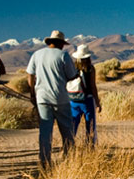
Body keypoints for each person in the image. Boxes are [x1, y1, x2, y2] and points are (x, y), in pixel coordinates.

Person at [26, 30, 79, 169]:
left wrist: (32, 93)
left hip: (42, 98)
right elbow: (72, 76)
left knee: (45, 131)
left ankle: (44, 161)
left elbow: (30, 75)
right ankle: (70, 159)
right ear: (61, 44)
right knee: (67, 130)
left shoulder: (37, 55)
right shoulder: (63, 55)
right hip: (60, 98)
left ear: (50, 42)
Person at [66, 44, 101, 146]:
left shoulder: (71, 68)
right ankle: (90, 148)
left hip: (72, 101)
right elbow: (93, 86)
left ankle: (69, 147)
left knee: (73, 125)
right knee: (90, 126)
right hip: (87, 100)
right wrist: (97, 102)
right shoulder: (90, 69)